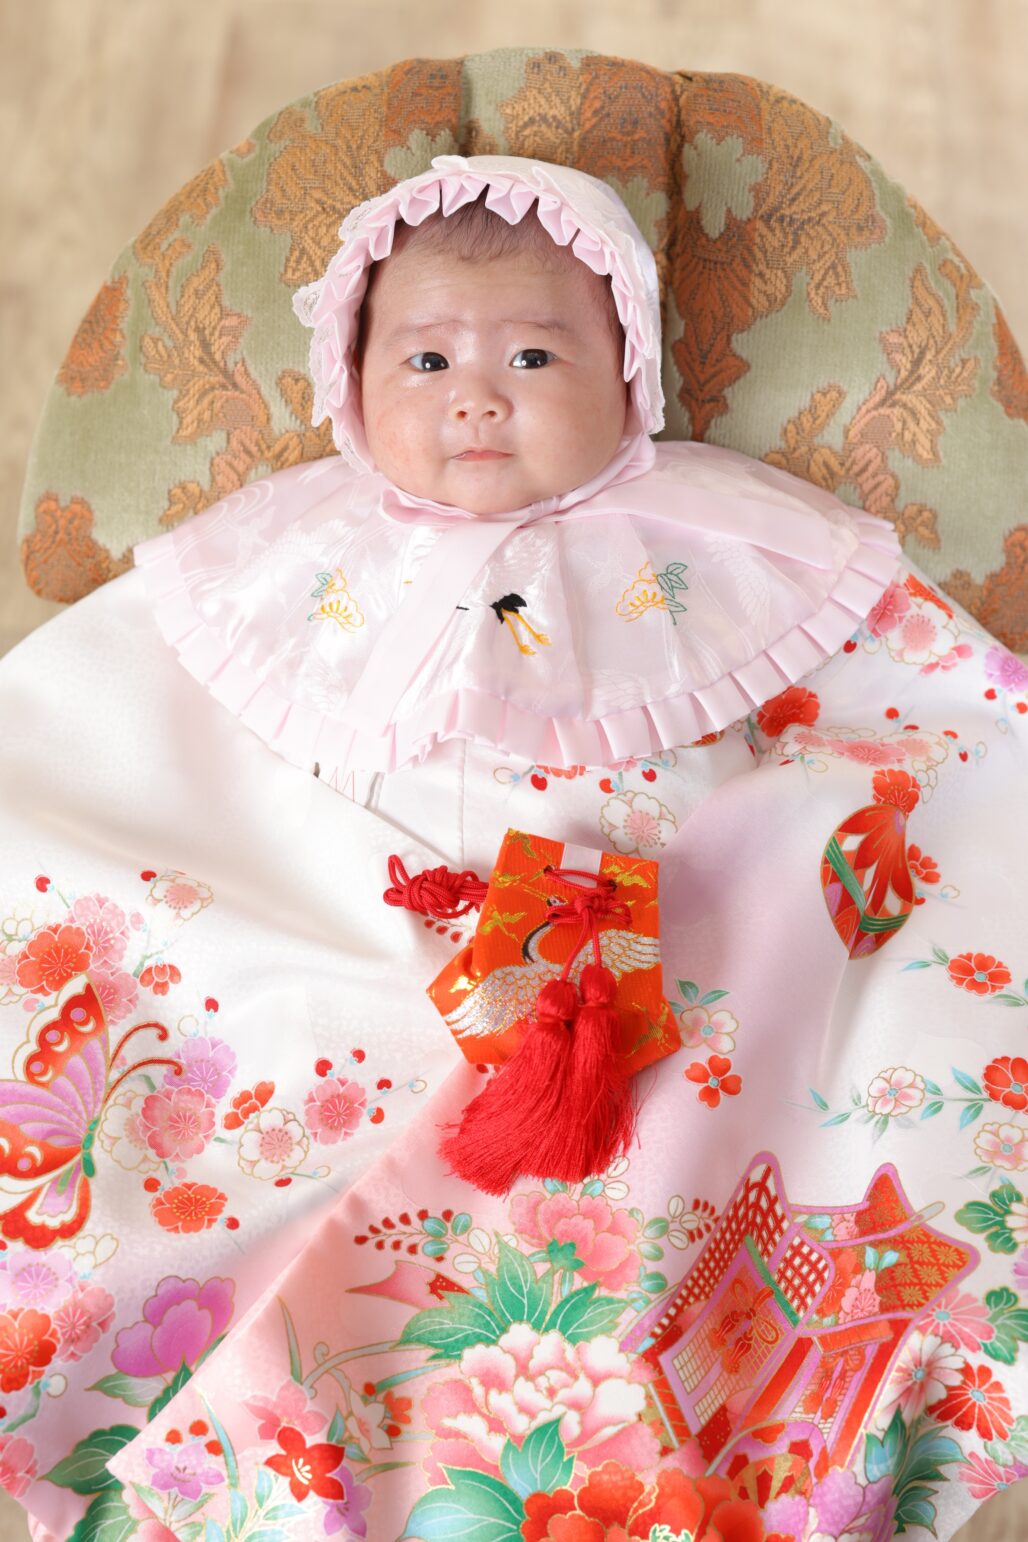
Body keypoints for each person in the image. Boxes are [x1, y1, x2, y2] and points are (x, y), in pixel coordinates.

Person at [0, 155, 1025, 1540]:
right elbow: (114, 728)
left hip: (644, 953)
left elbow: (919, 710)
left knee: (708, 1142)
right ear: (349, 384)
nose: (477, 395)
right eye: (426, 360)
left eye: (534, 355)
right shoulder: (280, 559)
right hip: (357, 932)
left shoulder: (728, 541)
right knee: (229, 1058)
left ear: (629, 375)